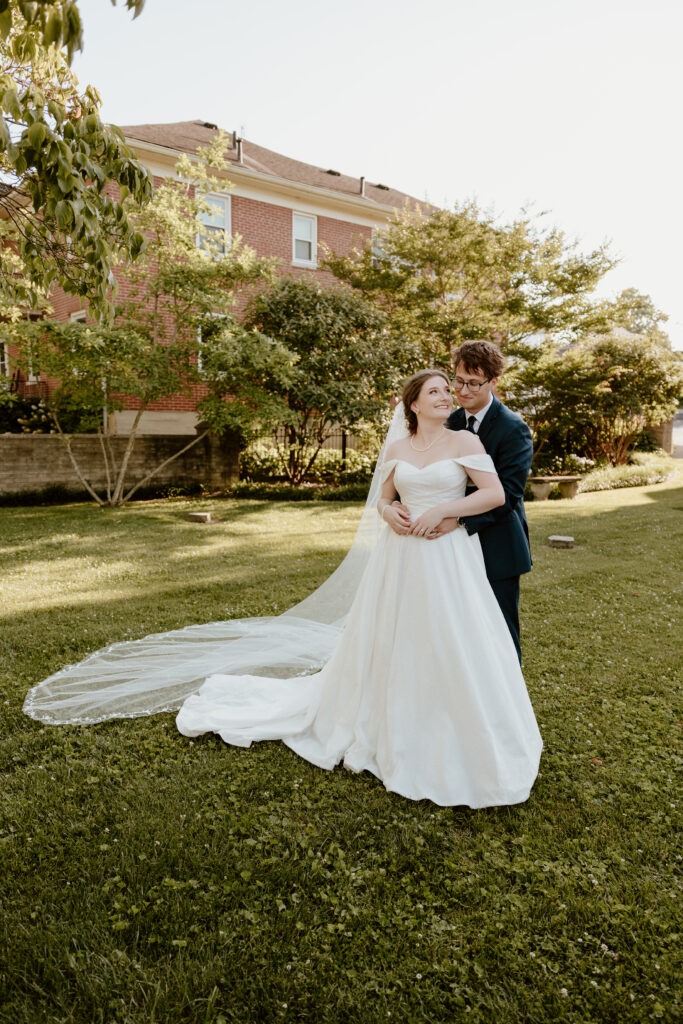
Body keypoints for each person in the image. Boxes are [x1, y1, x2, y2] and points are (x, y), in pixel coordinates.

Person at [24, 369, 542, 808]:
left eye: (447, 392)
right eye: (435, 392)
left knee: (453, 637)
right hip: (402, 558)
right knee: (394, 636)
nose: (446, 397)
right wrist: (392, 513)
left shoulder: (466, 442)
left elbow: (494, 495)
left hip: (447, 558)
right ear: (412, 403)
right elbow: (382, 501)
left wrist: (443, 511)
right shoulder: (399, 447)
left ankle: (454, 722)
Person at [436, 341, 533, 664]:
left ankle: (511, 705)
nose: (462, 390)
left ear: (493, 382)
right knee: (459, 627)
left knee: (500, 629)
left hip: (497, 544)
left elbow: (508, 495)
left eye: (473, 383)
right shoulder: (448, 423)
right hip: (449, 547)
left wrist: (460, 521)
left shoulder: (513, 429)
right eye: (458, 380)